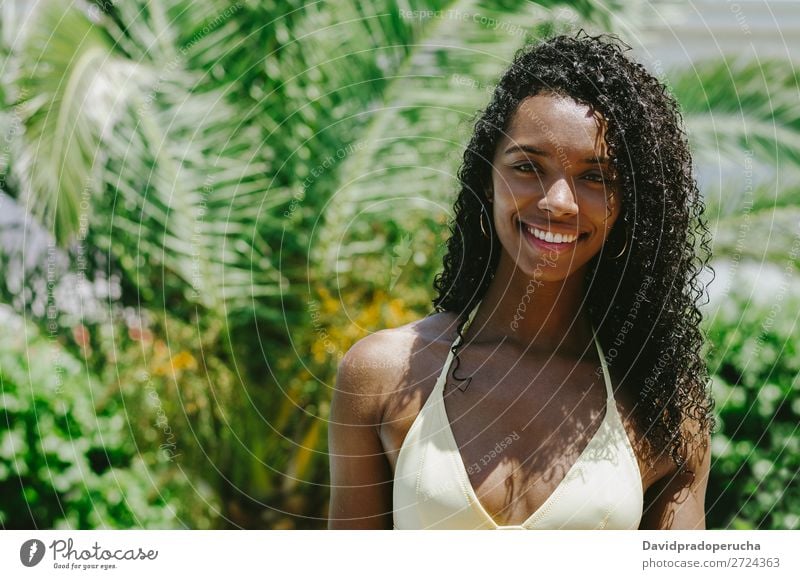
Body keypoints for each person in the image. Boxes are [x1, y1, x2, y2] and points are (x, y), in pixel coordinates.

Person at [327, 31, 715, 530]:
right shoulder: (383, 374)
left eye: (596, 178)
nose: (558, 201)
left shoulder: (662, 406)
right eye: (528, 167)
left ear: (629, 207)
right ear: (487, 179)